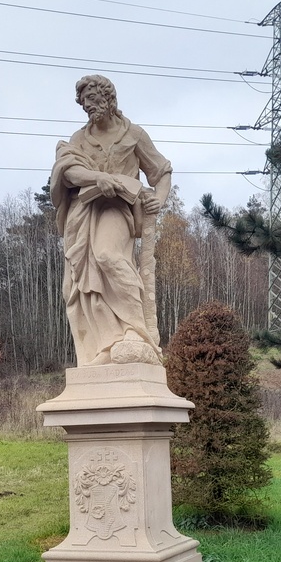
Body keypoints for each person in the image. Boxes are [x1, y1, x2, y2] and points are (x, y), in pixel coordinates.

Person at [50, 75, 173, 366]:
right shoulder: (79, 139)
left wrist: (159, 198)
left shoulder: (133, 135)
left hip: (118, 208)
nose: (88, 106)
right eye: (84, 102)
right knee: (81, 283)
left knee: (107, 255)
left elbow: (161, 172)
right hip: (84, 213)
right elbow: (68, 172)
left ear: (109, 99)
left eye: (93, 100)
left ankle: (136, 330)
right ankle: (107, 343)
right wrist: (98, 178)